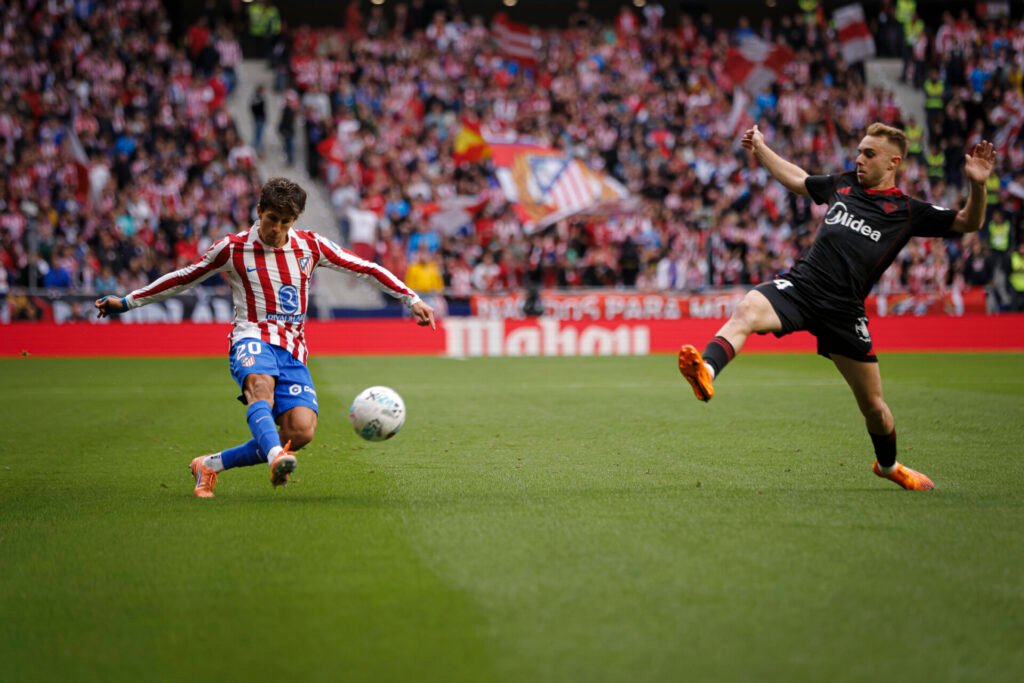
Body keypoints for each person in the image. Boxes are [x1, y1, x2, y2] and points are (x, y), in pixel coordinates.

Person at [678, 123, 995, 491]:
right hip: (803, 287)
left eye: (869, 154)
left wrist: (978, 184)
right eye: (859, 151)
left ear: (894, 162)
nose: (859, 158)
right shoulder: (842, 185)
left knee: (874, 408)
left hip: (845, 311)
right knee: (748, 308)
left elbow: (968, 221)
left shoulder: (908, 211)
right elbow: (797, 178)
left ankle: (890, 467)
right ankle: (707, 371)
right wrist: (761, 148)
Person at [95, 177, 435, 498]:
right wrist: (127, 302)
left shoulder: (310, 246)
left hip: (292, 349)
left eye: (286, 222)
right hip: (250, 337)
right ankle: (275, 458)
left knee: (300, 432)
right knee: (261, 386)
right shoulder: (232, 249)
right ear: (259, 211)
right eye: (273, 219)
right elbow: (183, 277)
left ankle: (209, 465)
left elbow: (365, 267)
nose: (278, 229)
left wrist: (412, 298)